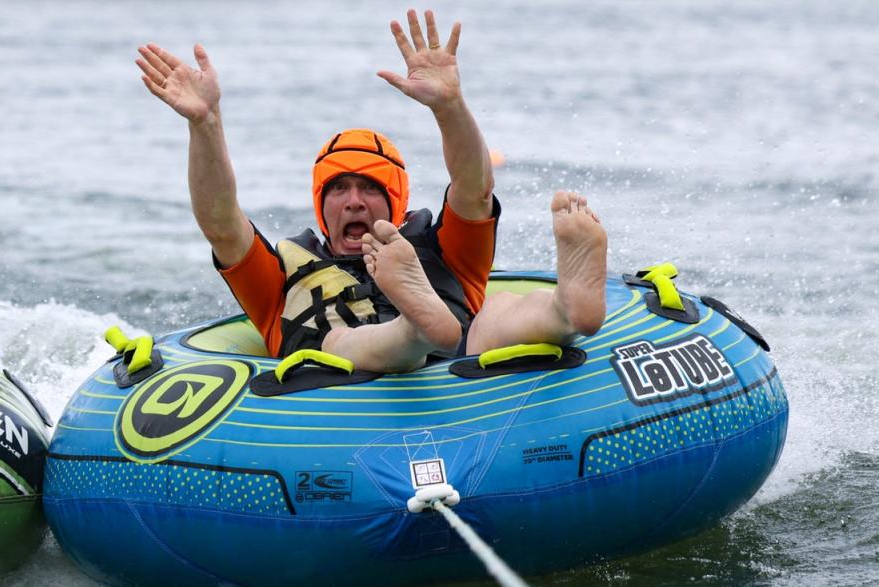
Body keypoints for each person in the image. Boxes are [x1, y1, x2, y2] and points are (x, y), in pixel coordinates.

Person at [137, 10, 607, 373]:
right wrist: (205, 124)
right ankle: (414, 328)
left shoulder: (438, 249)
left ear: (397, 203)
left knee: (495, 315)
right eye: (338, 188)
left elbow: (474, 185)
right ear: (322, 205)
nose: (354, 200)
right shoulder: (280, 277)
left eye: (370, 188)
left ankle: (569, 308)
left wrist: (450, 106)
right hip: (343, 370)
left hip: (458, 364)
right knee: (341, 345)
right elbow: (220, 221)